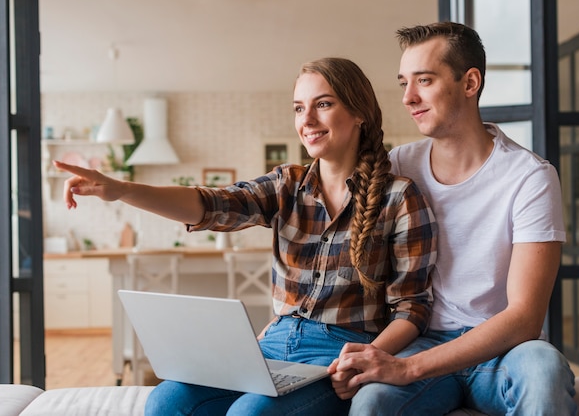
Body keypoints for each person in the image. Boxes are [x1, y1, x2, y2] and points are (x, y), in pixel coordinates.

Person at [55, 57, 437, 415]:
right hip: (270, 344)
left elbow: (412, 308)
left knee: (249, 412)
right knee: (166, 401)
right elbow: (211, 205)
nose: (307, 119)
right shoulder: (286, 184)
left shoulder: (399, 197)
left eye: (323, 104)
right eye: (299, 108)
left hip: (341, 353)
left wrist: (369, 358)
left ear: (359, 114)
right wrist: (122, 189)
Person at [328, 22, 577, 415]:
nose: (409, 98)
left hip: (503, 351)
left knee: (544, 369)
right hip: (421, 337)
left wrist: (407, 367)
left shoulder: (530, 177)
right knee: (372, 401)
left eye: (424, 80)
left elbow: (525, 317)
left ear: (470, 82)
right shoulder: (396, 167)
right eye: (403, 83)